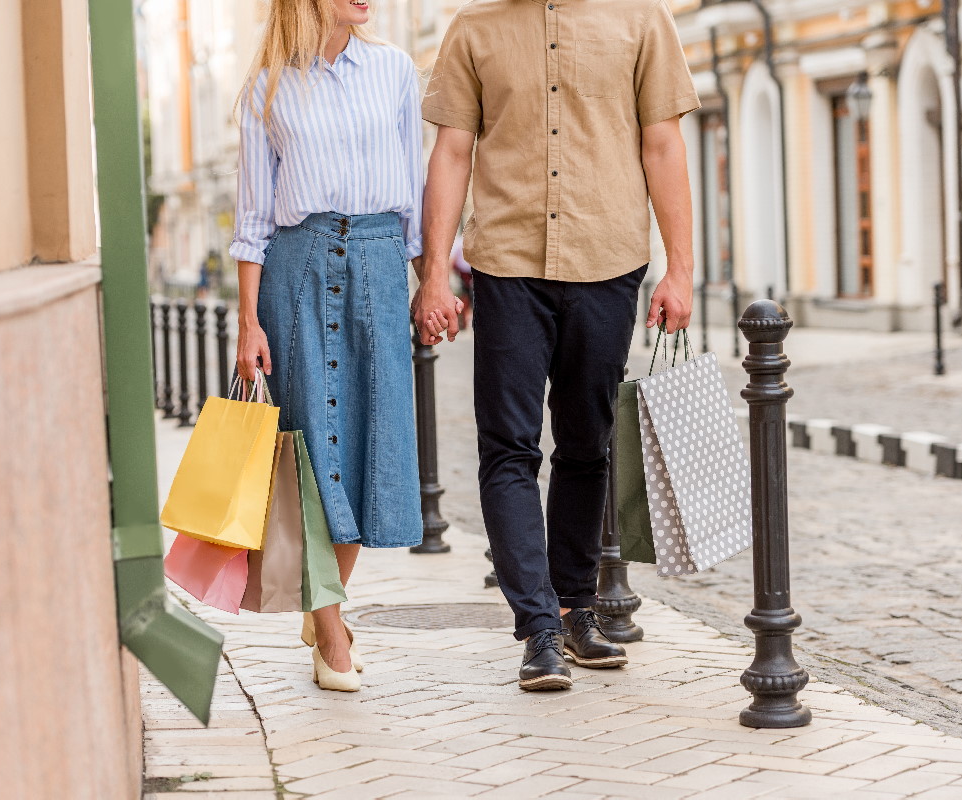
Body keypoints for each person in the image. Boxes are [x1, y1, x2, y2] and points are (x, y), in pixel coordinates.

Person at [414, 0, 700, 691]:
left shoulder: (641, 21)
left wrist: (681, 267)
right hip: (507, 265)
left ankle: (576, 609)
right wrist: (432, 274)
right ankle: (536, 628)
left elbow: (661, 143)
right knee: (509, 447)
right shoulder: (473, 30)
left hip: (609, 260)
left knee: (586, 445)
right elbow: (453, 152)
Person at [230, 0, 439, 693]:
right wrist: (248, 322)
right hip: (299, 264)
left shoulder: (395, 71)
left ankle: (325, 601)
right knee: (313, 453)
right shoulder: (267, 87)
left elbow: (411, 187)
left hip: (379, 263)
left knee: (369, 447)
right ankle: (329, 634)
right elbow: (254, 216)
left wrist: (428, 280)